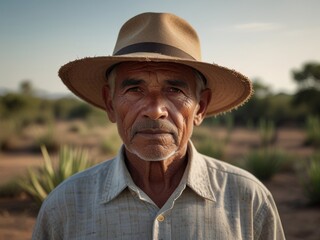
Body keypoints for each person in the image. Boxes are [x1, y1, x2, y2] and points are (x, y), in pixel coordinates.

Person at [32, 12, 285, 239]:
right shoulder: (64, 206)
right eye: (134, 89)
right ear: (110, 104)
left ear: (200, 107)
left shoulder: (247, 199)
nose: (155, 110)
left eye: (175, 89)